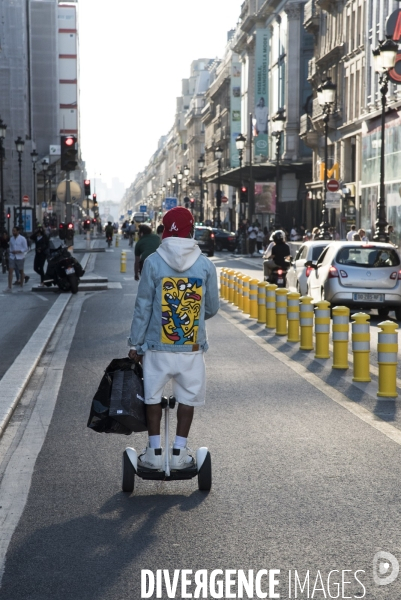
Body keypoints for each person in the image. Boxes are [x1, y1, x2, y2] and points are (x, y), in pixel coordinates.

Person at [128, 206, 219, 470]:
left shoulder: (153, 262)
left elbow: (143, 307)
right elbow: (211, 308)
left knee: (152, 397)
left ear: (166, 231)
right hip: (190, 348)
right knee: (188, 399)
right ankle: (179, 452)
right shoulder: (205, 265)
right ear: (191, 230)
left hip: (157, 348)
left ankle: (154, 452)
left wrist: (136, 343)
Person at [4, 227, 28, 293]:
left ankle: (21, 286)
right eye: (12, 231)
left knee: (21, 271)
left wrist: (19, 251)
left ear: (18, 231)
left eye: (14, 231)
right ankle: (9, 287)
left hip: (20, 257)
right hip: (12, 257)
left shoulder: (22, 239)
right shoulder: (11, 239)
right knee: (10, 271)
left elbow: (25, 248)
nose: (13, 232)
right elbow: (10, 247)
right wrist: (10, 252)